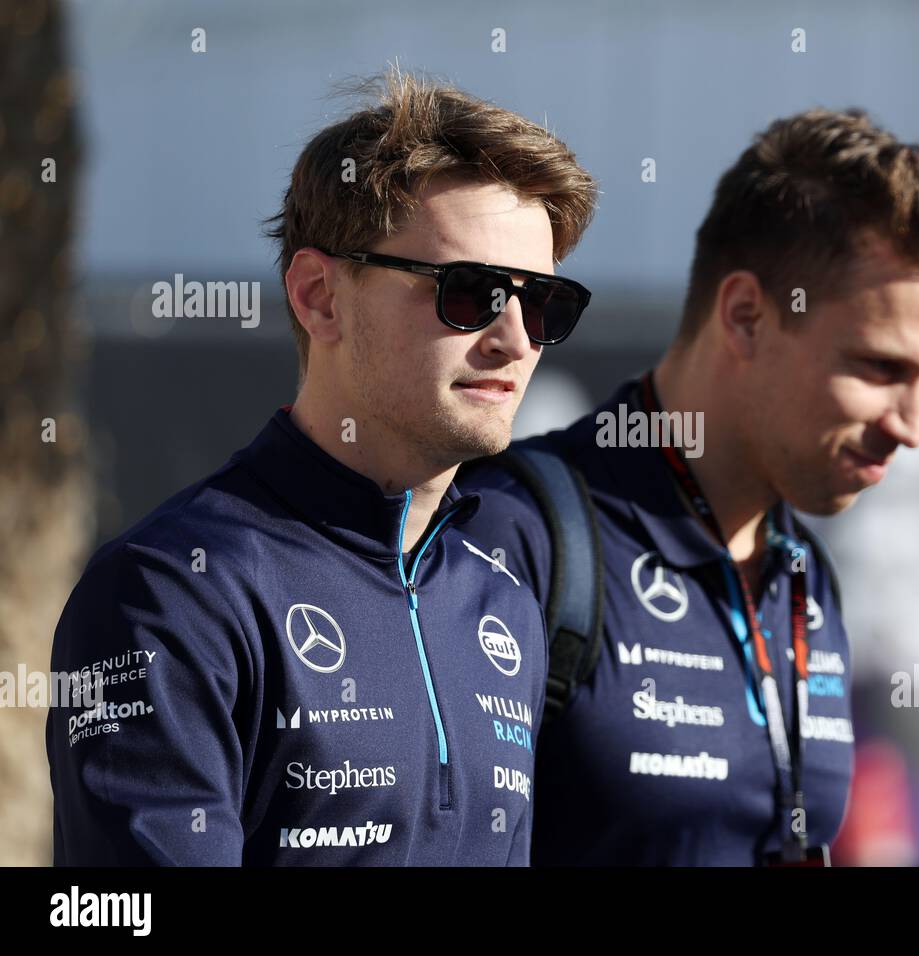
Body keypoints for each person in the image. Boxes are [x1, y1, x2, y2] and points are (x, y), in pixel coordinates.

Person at [45, 69, 598, 865]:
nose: (515, 341)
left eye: (543, 304)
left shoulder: (502, 598)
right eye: (470, 293)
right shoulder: (167, 593)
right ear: (319, 296)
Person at [458, 107, 919, 865]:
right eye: (883, 368)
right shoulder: (516, 534)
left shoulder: (804, 574)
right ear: (747, 316)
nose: (912, 424)